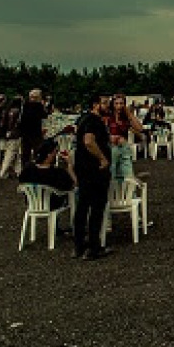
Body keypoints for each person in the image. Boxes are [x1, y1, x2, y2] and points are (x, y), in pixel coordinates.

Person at [73, 99, 113, 260]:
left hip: (82, 168)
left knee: (82, 206)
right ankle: (93, 247)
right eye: (105, 103)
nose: (108, 106)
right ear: (96, 105)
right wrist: (102, 158)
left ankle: (79, 245)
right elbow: (89, 141)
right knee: (96, 207)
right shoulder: (94, 121)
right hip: (94, 169)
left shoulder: (82, 119)